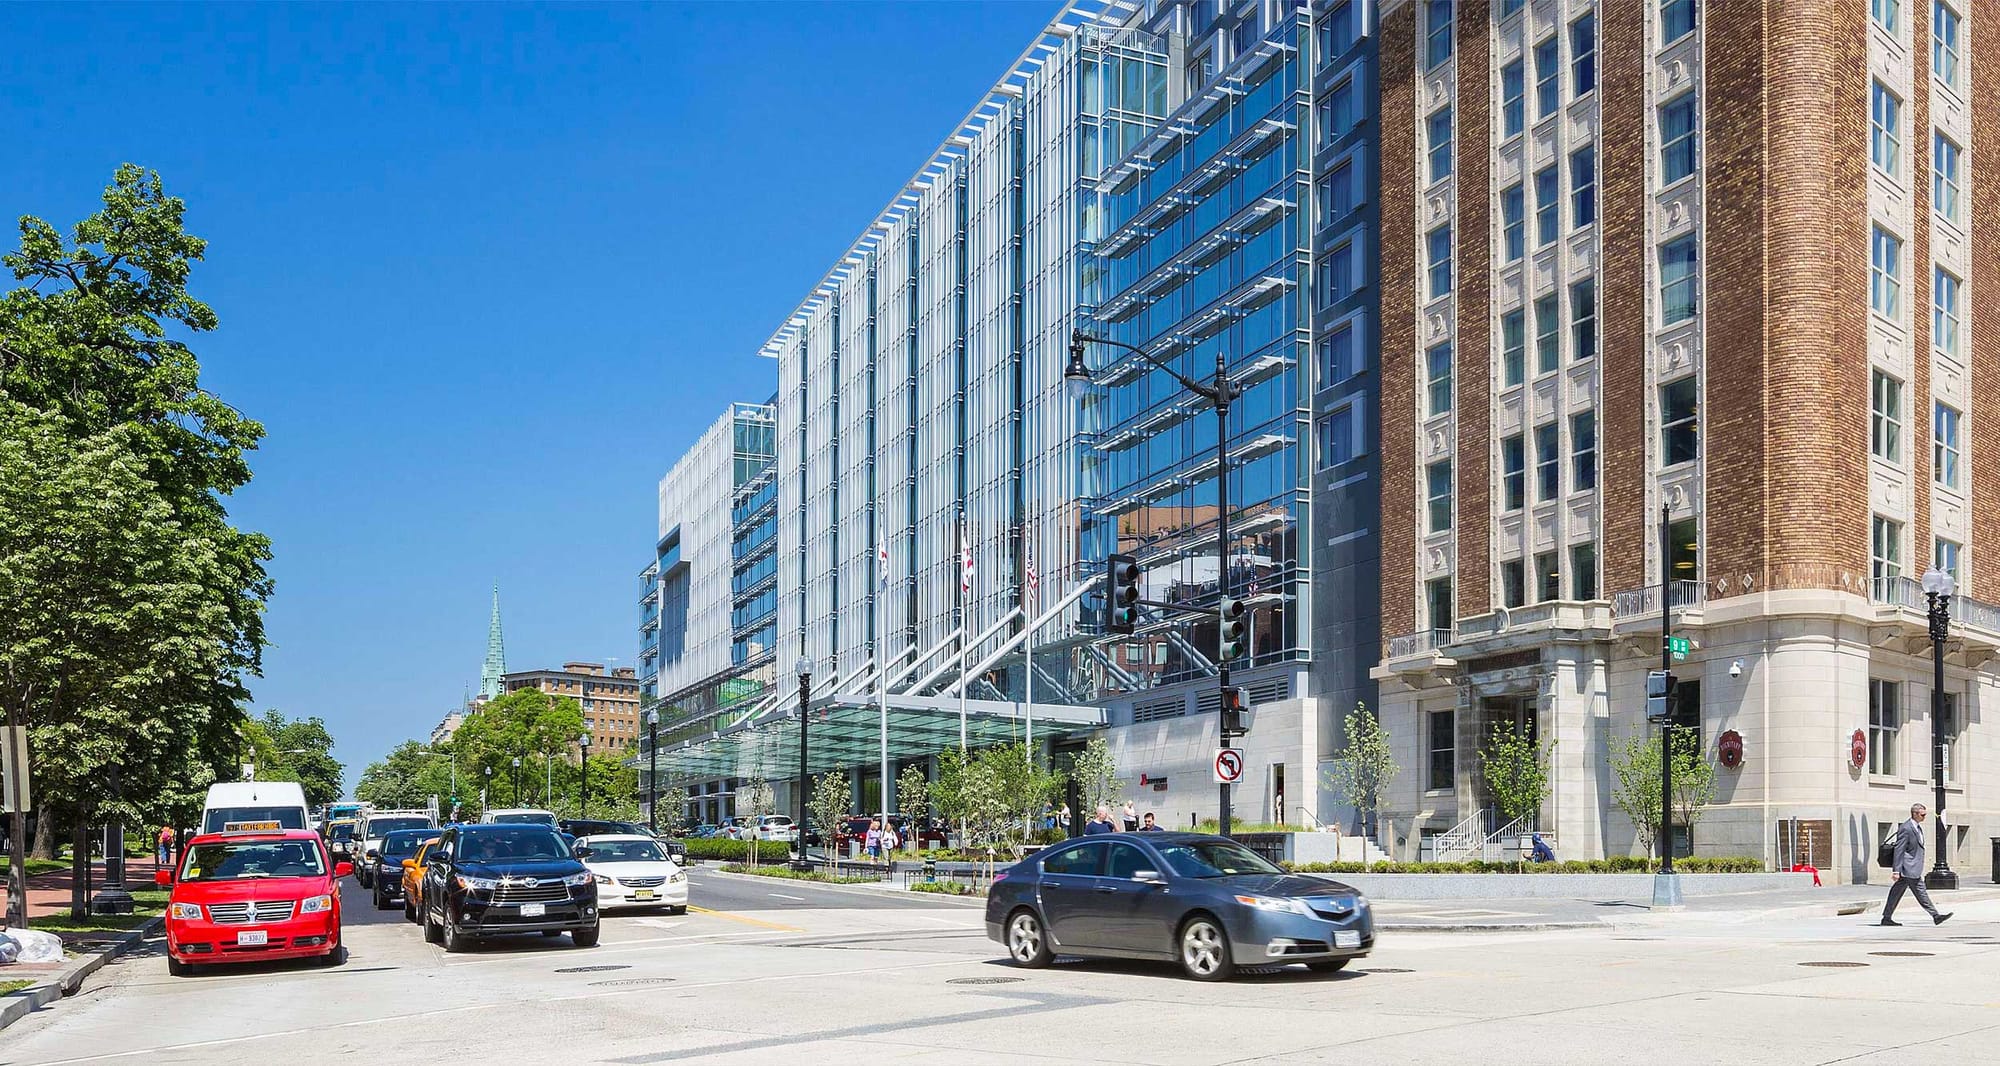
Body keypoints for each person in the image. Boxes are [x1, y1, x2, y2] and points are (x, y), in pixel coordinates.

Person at [1881, 803, 1952, 927]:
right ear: (1914, 814)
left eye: (1925, 814)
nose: (1924, 817)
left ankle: (1886, 917)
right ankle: (1935, 915)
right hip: (1909, 867)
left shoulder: (1916, 827)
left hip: (1911, 866)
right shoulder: (1906, 828)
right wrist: (1896, 870)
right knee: (1920, 891)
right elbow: (1899, 849)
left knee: (1896, 892)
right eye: (1922, 814)